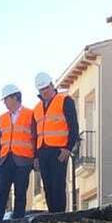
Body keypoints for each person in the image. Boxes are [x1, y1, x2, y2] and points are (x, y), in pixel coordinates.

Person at [0, 82, 37, 223]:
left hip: (23, 160)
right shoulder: (3, 118)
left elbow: (35, 136)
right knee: (0, 193)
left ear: (15, 97)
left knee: (20, 193)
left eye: (6, 99)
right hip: (5, 159)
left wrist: (36, 157)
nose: (4, 103)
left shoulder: (30, 114)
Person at [31, 71, 79, 214]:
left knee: (58, 184)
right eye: (42, 89)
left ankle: (59, 216)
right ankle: (52, 214)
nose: (45, 92)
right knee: (47, 186)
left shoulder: (65, 101)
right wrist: (36, 156)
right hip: (43, 151)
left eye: (47, 88)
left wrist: (67, 148)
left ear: (52, 85)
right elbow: (35, 134)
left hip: (59, 151)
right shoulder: (37, 109)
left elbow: (74, 126)